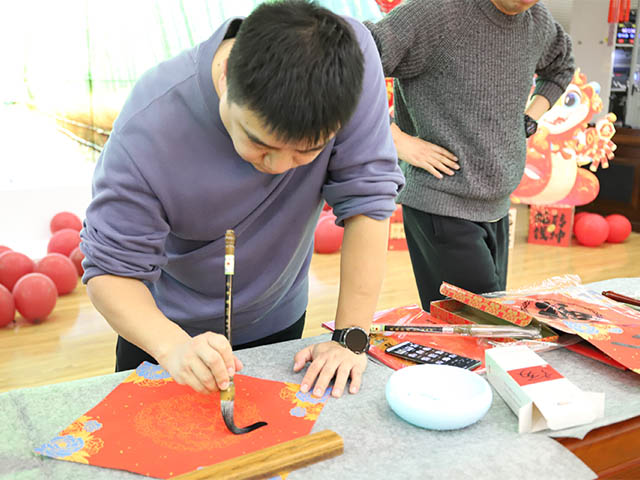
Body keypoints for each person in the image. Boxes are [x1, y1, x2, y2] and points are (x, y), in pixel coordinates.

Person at [80, 0, 404, 399]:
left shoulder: (349, 61)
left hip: (280, 317)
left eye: (306, 151)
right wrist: (172, 346)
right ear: (225, 77)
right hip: (163, 334)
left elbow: (369, 199)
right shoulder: (149, 125)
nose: (279, 167)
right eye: (260, 144)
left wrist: (350, 337)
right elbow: (111, 272)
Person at [366, 0, 575, 309]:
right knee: (486, 323)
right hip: (442, 202)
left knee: (481, 328)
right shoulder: (435, 12)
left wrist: (529, 118)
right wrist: (395, 139)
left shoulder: (537, 19)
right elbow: (348, 62)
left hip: (496, 206)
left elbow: (562, 65)